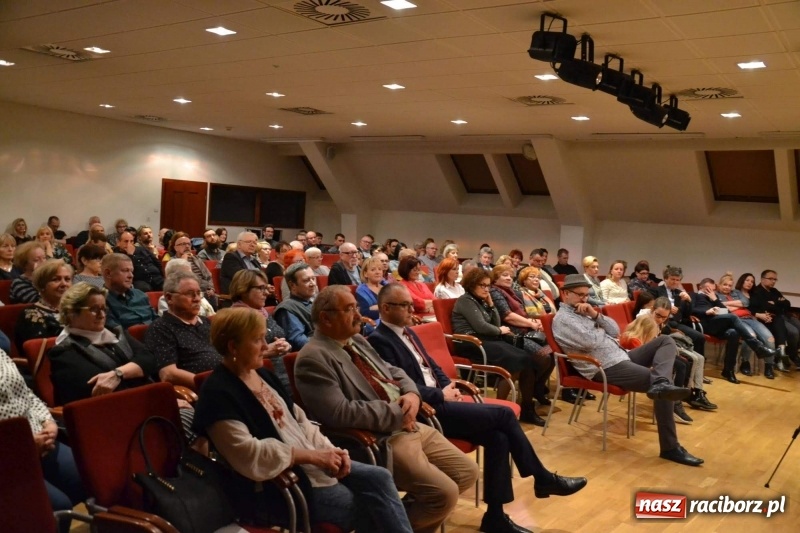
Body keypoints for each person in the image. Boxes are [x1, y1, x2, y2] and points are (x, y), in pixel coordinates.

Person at [368, 284, 587, 533]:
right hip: (426, 410)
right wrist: (440, 394)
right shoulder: (378, 341)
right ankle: (542, 477)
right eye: (404, 305)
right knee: (504, 415)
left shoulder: (409, 331)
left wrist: (449, 385)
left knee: (499, 437)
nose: (412, 309)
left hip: (443, 399)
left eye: (410, 303)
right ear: (385, 308)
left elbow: (431, 366)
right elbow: (399, 386)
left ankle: (495, 517)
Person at [191, 307, 413, 533]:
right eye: (258, 340)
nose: (266, 347)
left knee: (380, 478)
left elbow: (300, 421)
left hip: (312, 462)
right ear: (232, 346)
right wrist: (313, 457)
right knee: (367, 507)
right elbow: (248, 453)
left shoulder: (263, 374)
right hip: (276, 485)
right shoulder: (218, 393)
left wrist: (331, 451)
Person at [294, 285, 479, 533]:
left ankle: (390, 520)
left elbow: (394, 371)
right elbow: (338, 413)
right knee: (444, 493)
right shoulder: (313, 357)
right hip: (379, 437)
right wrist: (397, 413)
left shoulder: (357, 340)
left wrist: (412, 395)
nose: (358, 315)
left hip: (410, 422)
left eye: (356, 308)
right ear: (326, 317)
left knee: (467, 472)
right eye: (349, 309)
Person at [552, 274, 703, 466]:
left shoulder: (585, 311)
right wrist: (600, 330)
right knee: (665, 391)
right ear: (565, 293)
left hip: (620, 355)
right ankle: (670, 448)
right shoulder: (563, 319)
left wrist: (595, 315)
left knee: (666, 340)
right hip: (603, 366)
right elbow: (591, 342)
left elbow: (614, 330)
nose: (585, 299)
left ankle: (660, 383)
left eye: (587, 295)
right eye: (580, 295)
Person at [0, 349, 86, 532]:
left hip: (39, 437)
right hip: (7, 453)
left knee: (88, 476)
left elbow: (27, 394)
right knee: (55, 507)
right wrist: (22, 445)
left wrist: (48, 421)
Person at [452, 268, 542, 425]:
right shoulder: (465, 300)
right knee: (515, 362)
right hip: (471, 342)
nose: (487, 289)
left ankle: (527, 408)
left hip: (487, 339)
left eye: (488, 286)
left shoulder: (481, 301)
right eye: (483, 285)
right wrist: (499, 330)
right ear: (472, 285)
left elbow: (494, 323)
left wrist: (492, 305)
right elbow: (481, 326)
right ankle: (499, 410)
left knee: (526, 359)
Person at [48, 283, 157, 404]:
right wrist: (136, 370)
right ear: (71, 312)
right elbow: (99, 387)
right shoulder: (64, 351)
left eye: (104, 309)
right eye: (94, 309)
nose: (102, 315)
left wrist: (118, 374)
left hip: (142, 401)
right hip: (111, 411)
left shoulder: (115, 332)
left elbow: (150, 358)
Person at [489, 265, 555, 408]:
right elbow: (508, 316)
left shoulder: (513, 292)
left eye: (510, 275)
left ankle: (536, 389)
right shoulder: (495, 292)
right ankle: (529, 397)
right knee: (542, 357)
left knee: (553, 351)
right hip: (511, 334)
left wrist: (533, 322)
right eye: (504, 275)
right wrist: (531, 324)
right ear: (495, 278)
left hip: (523, 329)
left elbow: (524, 313)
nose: (508, 278)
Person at [693, 278, 776, 384]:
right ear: (700, 287)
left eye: (713, 290)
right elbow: (691, 309)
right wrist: (706, 311)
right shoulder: (693, 295)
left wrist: (715, 299)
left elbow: (725, 311)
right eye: (708, 289)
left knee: (734, 333)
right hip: (705, 324)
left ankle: (728, 370)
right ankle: (757, 346)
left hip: (718, 325)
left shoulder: (714, 297)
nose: (711, 292)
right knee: (733, 317)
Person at [145, 271, 220, 388]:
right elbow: (168, 373)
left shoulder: (205, 322)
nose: (197, 299)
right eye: (190, 294)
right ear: (169, 298)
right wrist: (213, 385)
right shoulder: (161, 328)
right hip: (204, 390)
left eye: (198, 293)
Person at [228, 269, 292, 390]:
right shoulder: (237, 318)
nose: (266, 293)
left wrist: (286, 346)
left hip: (283, 369)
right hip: (259, 376)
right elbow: (235, 358)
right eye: (261, 288)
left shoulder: (263, 313)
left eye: (266, 288)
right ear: (243, 290)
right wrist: (267, 352)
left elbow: (281, 340)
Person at [650, 298, 717, 410]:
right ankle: (684, 395)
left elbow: (669, 326)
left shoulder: (663, 320)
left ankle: (697, 392)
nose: (661, 320)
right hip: (659, 348)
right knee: (687, 362)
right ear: (652, 309)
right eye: (658, 316)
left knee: (699, 358)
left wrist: (672, 331)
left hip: (666, 343)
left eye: (664, 317)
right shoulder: (644, 319)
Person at [718, 272, 775, 378]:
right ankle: (745, 362)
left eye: (730, 285)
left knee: (770, 338)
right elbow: (720, 310)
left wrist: (728, 305)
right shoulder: (716, 295)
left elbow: (746, 302)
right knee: (751, 336)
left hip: (750, 318)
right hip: (737, 320)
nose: (727, 287)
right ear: (719, 285)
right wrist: (736, 306)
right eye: (725, 285)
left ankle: (769, 365)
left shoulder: (736, 292)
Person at [14, 259, 72, 353]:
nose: (64, 284)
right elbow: (38, 353)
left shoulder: (77, 310)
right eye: (56, 279)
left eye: (67, 279)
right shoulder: (31, 315)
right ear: (42, 285)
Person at [649, 266, 706, 357]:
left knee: (700, 337)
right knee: (680, 337)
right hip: (662, 322)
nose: (675, 282)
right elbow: (651, 306)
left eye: (677, 280)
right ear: (666, 278)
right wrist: (667, 308)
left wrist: (688, 301)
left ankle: (697, 364)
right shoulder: (655, 290)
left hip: (676, 322)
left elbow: (687, 314)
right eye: (672, 279)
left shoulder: (679, 292)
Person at [750, 269, 800, 371]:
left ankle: (790, 353)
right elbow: (765, 307)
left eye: (775, 279)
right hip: (773, 318)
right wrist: (778, 303)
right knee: (793, 332)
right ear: (763, 279)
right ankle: (791, 356)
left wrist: (775, 303)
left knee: (798, 326)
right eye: (770, 279)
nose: (773, 281)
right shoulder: (757, 291)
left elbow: (787, 304)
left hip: (783, 315)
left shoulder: (774, 291)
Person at [101, 253, 157, 329]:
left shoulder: (140, 294)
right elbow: (118, 333)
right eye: (125, 270)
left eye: (131, 271)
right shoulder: (102, 301)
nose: (131, 275)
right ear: (108, 273)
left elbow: (157, 320)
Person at [273, 263, 317, 352]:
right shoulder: (287, 309)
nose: (313, 284)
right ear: (292, 285)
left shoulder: (313, 302)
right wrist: (326, 342)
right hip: (311, 356)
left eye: (313, 278)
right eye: (306, 280)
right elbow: (298, 342)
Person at [167, 232, 217, 308]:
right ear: (175, 248)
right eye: (183, 244)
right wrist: (183, 261)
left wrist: (212, 289)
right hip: (189, 292)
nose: (187, 246)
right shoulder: (172, 262)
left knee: (212, 300)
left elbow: (208, 275)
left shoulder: (196, 258)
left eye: (188, 244)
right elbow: (176, 280)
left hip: (206, 290)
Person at [355, 257, 386, 333]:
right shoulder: (361, 290)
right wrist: (385, 308)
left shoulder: (387, 288)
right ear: (365, 274)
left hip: (390, 319)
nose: (377, 272)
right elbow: (366, 312)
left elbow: (395, 307)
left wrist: (377, 307)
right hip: (372, 324)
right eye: (373, 270)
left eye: (380, 269)